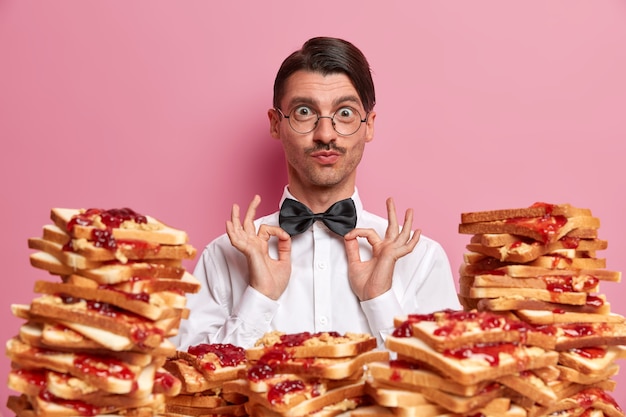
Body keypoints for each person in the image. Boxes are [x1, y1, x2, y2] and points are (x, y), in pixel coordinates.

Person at [176, 36, 460, 350]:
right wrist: (259, 298)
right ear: (275, 124)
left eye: (346, 114)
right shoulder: (223, 257)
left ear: (369, 126)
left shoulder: (420, 259)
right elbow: (191, 382)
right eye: (304, 112)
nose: (325, 134)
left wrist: (379, 301)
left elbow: (444, 387)